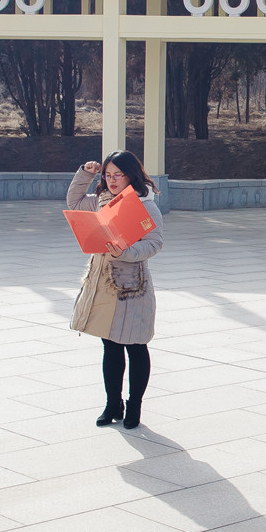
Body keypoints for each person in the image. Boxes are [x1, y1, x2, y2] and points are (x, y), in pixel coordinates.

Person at [68, 151, 165, 428]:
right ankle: (113, 404)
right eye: (107, 175)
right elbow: (74, 202)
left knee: (135, 345)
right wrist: (85, 174)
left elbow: (154, 243)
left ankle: (134, 405)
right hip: (104, 284)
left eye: (117, 175)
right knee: (109, 345)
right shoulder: (101, 201)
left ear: (131, 175)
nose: (112, 180)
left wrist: (126, 252)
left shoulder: (145, 206)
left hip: (132, 286)